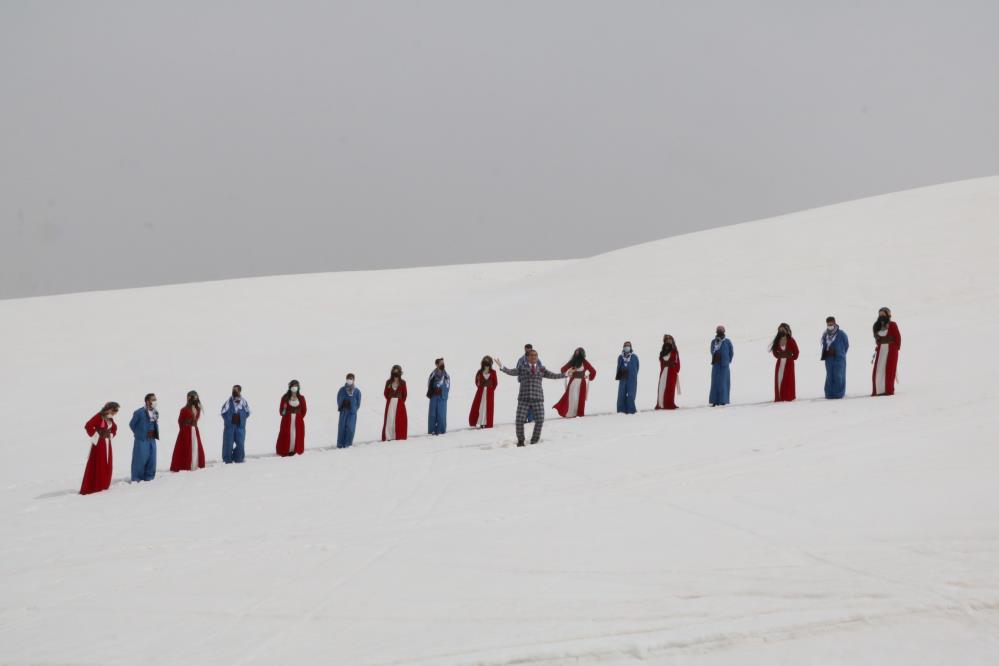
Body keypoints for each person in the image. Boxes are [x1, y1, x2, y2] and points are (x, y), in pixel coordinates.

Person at [495, 349, 566, 446]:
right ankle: (521, 441)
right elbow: (511, 372)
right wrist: (502, 367)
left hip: (537, 398)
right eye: (532, 355)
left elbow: (553, 375)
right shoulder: (522, 368)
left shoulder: (542, 369)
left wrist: (565, 374)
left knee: (540, 419)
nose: (534, 357)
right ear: (527, 357)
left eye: (536, 355)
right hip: (524, 398)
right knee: (519, 420)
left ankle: (534, 440)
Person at [81, 402, 119, 495]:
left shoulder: (110, 419)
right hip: (99, 444)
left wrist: (111, 434)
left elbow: (114, 428)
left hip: (107, 443)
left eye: (115, 412)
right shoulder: (99, 416)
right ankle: (97, 485)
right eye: (113, 411)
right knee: (100, 463)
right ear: (108, 409)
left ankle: (104, 484)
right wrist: (97, 436)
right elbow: (88, 425)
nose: (113, 414)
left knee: (107, 463)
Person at [554, 347, 596, 418]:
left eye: (578, 353)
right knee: (572, 398)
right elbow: (563, 369)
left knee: (580, 399)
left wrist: (589, 377)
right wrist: (569, 371)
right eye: (576, 353)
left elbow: (593, 371)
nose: (577, 354)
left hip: (581, 383)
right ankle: (571, 413)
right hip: (573, 383)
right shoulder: (572, 362)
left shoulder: (585, 362)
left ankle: (579, 413)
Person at [170, 391, 205, 472]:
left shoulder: (198, 409)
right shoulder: (184, 410)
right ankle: (185, 465)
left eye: (196, 397)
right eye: (194, 397)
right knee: (186, 448)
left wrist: (193, 422)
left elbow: (196, 418)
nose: (195, 399)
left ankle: (195, 464)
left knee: (195, 447)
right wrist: (184, 429)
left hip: (194, 429)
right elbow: (180, 421)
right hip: (186, 431)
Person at [128, 393, 159, 482]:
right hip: (142, 439)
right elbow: (131, 424)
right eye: (153, 400)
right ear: (147, 401)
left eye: (155, 399)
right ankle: (137, 478)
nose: (155, 401)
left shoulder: (155, 412)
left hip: (152, 439)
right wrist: (139, 434)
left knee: (152, 458)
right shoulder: (139, 412)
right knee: (140, 459)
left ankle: (149, 476)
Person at [872, 307, 902, 396]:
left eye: (883, 314)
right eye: (880, 314)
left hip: (891, 350)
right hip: (881, 350)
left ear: (887, 315)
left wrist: (895, 349)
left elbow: (898, 338)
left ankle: (888, 390)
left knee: (889, 371)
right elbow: (877, 339)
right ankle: (878, 390)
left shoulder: (892, 325)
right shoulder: (877, 326)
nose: (881, 316)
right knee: (878, 371)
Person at [220, 385, 250, 463]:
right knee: (228, 444)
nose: (235, 391)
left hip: (240, 427)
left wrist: (241, 418)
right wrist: (228, 419)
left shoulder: (244, 402)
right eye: (234, 389)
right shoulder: (228, 401)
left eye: (236, 390)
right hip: (230, 427)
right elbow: (223, 412)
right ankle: (227, 460)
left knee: (240, 444)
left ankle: (238, 458)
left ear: (240, 391)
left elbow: (248, 412)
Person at [821, 316, 850, 399]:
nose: (830, 325)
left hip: (839, 358)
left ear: (834, 322)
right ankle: (829, 394)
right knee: (829, 375)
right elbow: (824, 345)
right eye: (828, 324)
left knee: (838, 375)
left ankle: (839, 393)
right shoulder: (825, 334)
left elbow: (846, 345)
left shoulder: (841, 333)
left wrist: (841, 353)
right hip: (829, 358)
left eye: (831, 323)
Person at [276, 380, 307, 456]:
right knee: (287, 435)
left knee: (296, 435)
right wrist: (285, 411)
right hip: (287, 420)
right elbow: (281, 411)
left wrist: (298, 417)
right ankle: (286, 450)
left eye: (296, 386)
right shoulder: (285, 397)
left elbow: (304, 410)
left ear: (298, 387)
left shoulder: (301, 398)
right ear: (290, 387)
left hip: (298, 421)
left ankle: (295, 450)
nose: (294, 387)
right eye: (293, 386)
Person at [771, 323, 799, 402]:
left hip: (789, 363)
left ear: (786, 330)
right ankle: (779, 397)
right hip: (780, 363)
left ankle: (788, 396)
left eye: (782, 329)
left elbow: (796, 352)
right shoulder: (777, 340)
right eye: (780, 330)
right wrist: (778, 355)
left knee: (788, 380)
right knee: (779, 379)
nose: (781, 331)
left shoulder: (791, 340)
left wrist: (791, 357)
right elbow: (774, 351)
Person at [469, 356, 498, 428]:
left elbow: (495, 383)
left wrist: (491, 390)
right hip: (480, 392)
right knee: (480, 407)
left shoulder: (493, 372)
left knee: (487, 408)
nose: (486, 366)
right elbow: (476, 381)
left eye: (488, 364)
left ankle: (486, 423)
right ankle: (479, 422)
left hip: (489, 393)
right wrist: (481, 387)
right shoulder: (479, 372)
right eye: (485, 364)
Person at [709, 326, 735, 406]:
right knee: (715, 383)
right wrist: (715, 357)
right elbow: (711, 350)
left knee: (723, 383)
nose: (720, 332)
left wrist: (727, 360)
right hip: (716, 365)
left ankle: (723, 400)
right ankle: (714, 400)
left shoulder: (727, 341)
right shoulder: (714, 341)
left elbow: (731, 352)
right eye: (718, 331)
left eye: (721, 331)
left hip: (724, 365)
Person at [382, 365, 408, 441]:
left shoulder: (403, 382)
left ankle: (398, 436)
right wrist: (390, 399)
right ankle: (388, 436)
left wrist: (400, 402)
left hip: (400, 403)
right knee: (390, 419)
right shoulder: (388, 382)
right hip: (390, 402)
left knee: (399, 420)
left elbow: (405, 394)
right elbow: (385, 393)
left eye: (397, 371)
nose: (395, 372)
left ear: (400, 372)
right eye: (394, 371)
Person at [516, 343, 541, 423]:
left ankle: (531, 418)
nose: (528, 350)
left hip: (534, 383)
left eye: (530, 349)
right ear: (525, 349)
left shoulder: (536, 359)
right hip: (524, 383)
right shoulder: (521, 360)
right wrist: (520, 379)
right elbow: (518, 370)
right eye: (527, 349)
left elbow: (540, 369)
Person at [656, 334, 681, 410]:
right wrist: (664, 367)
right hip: (664, 371)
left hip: (672, 372)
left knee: (671, 388)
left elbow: (677, 362)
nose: (669, 341)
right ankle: (661, 404)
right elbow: (661, 362)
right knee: (662, 387)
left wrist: (676, 370)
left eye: (670, 340)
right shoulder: (662, 351)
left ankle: (670, 403)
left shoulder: (674, 351)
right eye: (667, 340)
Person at [336, 373, 362, 448]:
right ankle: (340, 444)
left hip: (352, 413)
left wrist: (353, 407)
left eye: (351, 378)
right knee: (342, 428)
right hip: (343, 411)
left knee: (350, 428)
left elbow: (358, 402)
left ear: (353, 380)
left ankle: (348, 444)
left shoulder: (357, 391)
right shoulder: (342, 390)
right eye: (348, 378)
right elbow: (338, 398)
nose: (349, 380)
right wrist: (342, 404)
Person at [426, 358, 451, 435]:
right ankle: (432, 430)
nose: (442, 364)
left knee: (441, 413)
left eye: (443, 363)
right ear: (437, 364)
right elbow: (429, 384)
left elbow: (448, 386)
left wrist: (444, 393)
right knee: (433, 413)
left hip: (442, 396)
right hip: (434, 396)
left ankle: (441, 429)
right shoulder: (433, 374)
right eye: (440, 363)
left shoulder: (446, 375)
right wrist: (432, 391)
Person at [615, 341, 639, 414]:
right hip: (623, 377)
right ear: (623, 347)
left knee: (631, 395)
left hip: (632, 378)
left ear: (630, 347)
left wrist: (634, 375)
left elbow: (637, 366)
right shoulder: (620, 357)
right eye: (625, 346)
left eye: (628, 346)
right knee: (621, 395)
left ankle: (631, 410)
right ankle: (621, 410)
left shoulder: (634, 357)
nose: (627, 347)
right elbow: (618, 366)